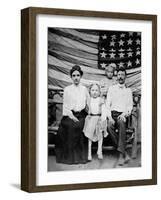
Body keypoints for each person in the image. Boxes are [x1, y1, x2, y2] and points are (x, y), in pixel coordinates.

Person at [55, 65, 89, 164]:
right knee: (67, 127)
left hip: (82, 114)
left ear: (81, 76)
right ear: (71, 77)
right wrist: (72, 116)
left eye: (78, 75)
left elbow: (89, 104)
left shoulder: (84, 89)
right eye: (74, 75)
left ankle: (79, 157)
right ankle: (69, 158)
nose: (76, 78)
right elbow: (65, 106)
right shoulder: (67, 89)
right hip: (70, 114)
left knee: (79, 126)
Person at [106, 67, 133, 165]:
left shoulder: (128, 91)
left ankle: (121, 155)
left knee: (121, 122)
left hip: (122, 114)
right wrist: (109, 117)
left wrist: (124, 114)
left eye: (122, 75)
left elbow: (130, 106)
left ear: (125, 77)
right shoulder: (111, 89)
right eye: (119, 75)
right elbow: (107, 105)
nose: (120, 77)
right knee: (109, 126)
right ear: (116, 77)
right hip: (112, 114)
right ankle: (124, 152)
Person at [83, 84, 108, 161]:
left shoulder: (101, 100)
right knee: (89, 136)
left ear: (99, 92)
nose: (94, 92)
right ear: (90, 91)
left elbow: (104, 111)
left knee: (100, 135)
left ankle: (99, 151)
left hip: (99, 119)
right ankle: (89, 153)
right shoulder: (89, 100)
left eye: (96, 90)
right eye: (93, 90)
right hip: (91, 119)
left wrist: (103, 120)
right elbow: (87, 110)